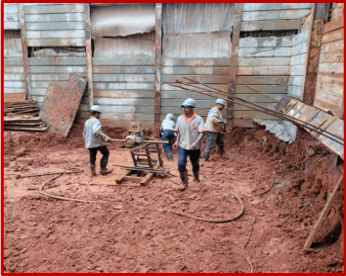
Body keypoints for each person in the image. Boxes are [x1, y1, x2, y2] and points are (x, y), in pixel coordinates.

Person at [173, 98, 206, 190]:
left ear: (192, 108)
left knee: (195, 164)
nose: (184, 109)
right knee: (180, 164)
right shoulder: (180, 118)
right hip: (183, 146)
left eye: (186, 107)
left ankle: (196, 176)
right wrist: (176, 141)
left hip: (194, 148)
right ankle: (184, 181)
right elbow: (178, 131)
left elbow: (202, 133)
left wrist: (195, 143)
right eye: (183, 107)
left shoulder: (198, 119)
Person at [83, 105, 113, 177]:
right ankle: (103, 170)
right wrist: (106, 137)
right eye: (99, 114)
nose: (99, 115)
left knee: (92, 157)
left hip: (90, 143)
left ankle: (93, 173)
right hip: (98, 143)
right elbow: (96, 131)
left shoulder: (87, 122)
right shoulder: (96, 121)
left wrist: (88, 140)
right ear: (96, 113)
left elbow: (84, 133)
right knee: (106, 153)